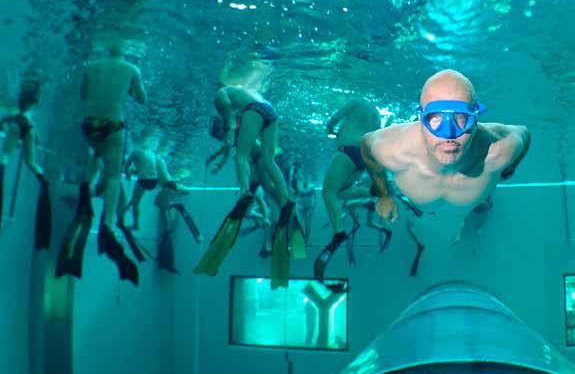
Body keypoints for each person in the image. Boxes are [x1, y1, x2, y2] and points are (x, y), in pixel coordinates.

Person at [361, 69, 531, 275]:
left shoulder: (499, 152)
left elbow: (524, 133)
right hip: (433, 203)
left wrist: (510, 167)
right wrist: (383, 195)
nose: (449, 134)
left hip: (470, 202)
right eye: (435, 117)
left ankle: (471, 214)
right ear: (420, 118)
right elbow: (365, 146)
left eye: (461, 117)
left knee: (479, 209)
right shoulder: (393, 151)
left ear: (476, 119)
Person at [195, 85, 302, 289]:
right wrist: (216, 160)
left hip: (255, 126)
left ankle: (247, 194)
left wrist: (225, 139)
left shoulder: (221, 97)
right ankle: (286, 201)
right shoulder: (241, 100)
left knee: (242, 158)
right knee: (269, 170)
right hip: (270, 112)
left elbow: (231, 137)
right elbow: (228, 145)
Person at [56, 44, 147, 285]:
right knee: (114, 176)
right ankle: (107, 225)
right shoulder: (131, 68)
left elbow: (83, 96)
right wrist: (129, 88)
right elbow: (142, 99)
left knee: (96, 153)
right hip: (112, 124)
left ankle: (85, 189)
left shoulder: (90, 66)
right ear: (125, 50)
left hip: (89, 125)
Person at [314, 97, 381, 282]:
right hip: (366, 155)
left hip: (348, 150)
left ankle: (338, 232)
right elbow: (378, 136)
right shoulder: (376, 113)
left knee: (328, 190)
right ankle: (370, 192)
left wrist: (331, 130)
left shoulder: (355, 102)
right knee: (341, 191)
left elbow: (333, 120)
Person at [0, 75, 51, 250]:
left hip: (17, 125)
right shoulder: (27, 119)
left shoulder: (12, 116)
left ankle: (3, 167)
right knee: (31, 163)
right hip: (27, 128)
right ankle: (42, 179)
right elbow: (32, 136)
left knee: (5, 155)